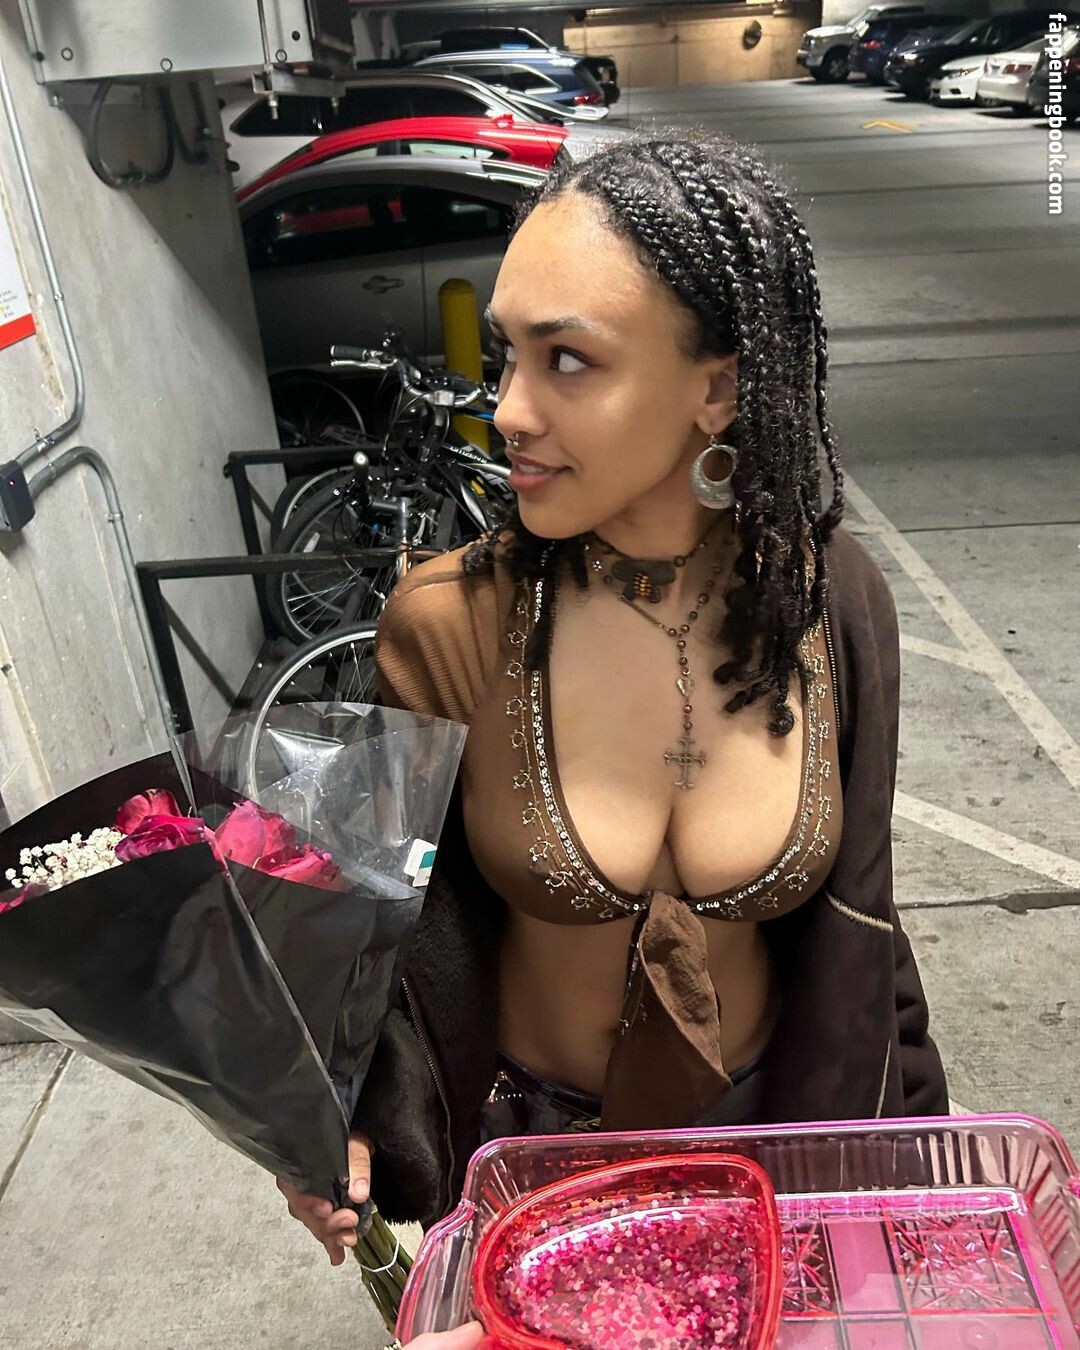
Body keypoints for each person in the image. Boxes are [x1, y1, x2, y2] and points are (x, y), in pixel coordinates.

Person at [278, 132, 947, 1263]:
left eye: (567, 360)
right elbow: (381, 937)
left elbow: (866, 929)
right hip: (533, 1166)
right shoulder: (451, 624)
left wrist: (913, 1162)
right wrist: (338, 1118)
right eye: (507, 355)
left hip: (774, 1153)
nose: (509, 410)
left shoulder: (827, 605)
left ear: (717, 388)